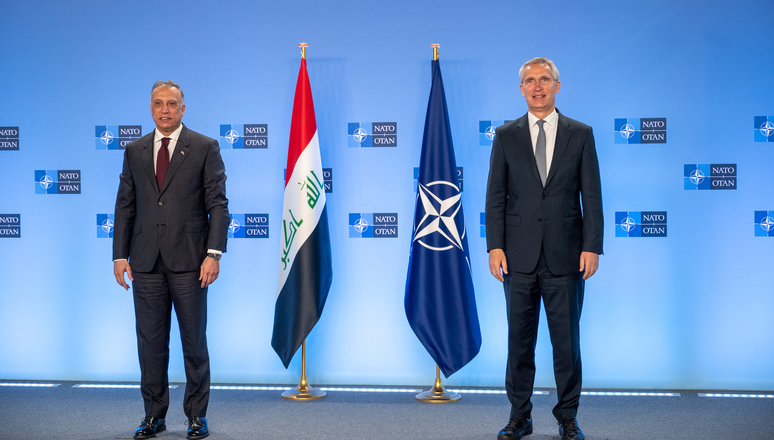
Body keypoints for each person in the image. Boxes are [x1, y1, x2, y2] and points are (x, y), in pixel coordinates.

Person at [485, 57, 603, 440]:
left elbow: (592, 196)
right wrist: (495, 246)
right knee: (519, 342)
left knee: (566, 345)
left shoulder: (580, 133)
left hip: (566, 256)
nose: (537, 86)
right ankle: (520, 416)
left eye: (545, 80)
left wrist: (592, 247)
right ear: (521, 89)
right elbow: (495, 198)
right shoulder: (505, 136)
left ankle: (568, 416)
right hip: (516, 258)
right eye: (530, 81)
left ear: (557, 85)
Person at [113, 80, 229, 440]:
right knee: (150, 343)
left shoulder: (205, 147)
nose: (165, 109)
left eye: (172, 104)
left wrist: (213, 253)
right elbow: (125, 205)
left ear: (183, 109)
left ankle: (196, 416)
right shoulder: (134, 150)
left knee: (193, 343)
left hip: (191, 263)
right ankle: (154, 416)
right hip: (145, 263)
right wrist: (119, 255)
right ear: (150, 109)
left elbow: (218, 206)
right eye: (158, 103)